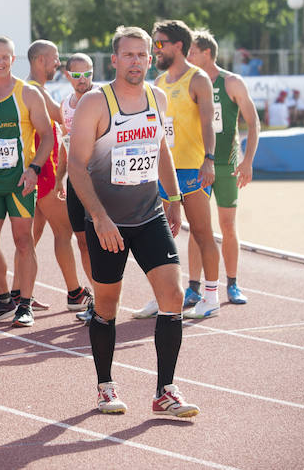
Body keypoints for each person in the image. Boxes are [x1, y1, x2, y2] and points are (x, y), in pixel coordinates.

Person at [68, 25, 198, 418]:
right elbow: (76, 165)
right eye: (129, 55)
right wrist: (99, 217)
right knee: (107, 304)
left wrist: (173, 197)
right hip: (108, 220)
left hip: (148, 214)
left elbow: (160, 149)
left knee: (172, 295)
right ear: (114, 59)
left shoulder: (157, 97)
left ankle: (165, 391)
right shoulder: (96, 102)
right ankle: (105, 386)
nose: (137, 61)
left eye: (143, 54)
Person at [134, 20, 221, 320]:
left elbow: (209, 122)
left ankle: (211, 296)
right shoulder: (157, 84)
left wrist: (209, 159)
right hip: (163, 170)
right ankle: (163, 295)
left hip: (193, 170)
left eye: (159, 44)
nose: (155, 50)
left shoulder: (198, 80)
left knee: (200, 232)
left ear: (178, 46)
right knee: (158, 237)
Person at [0, 36, 54, 328]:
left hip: (20, 180)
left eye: (4, 56)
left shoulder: (28, 93)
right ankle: (3, 299)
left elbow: (47, 134)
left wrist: (34, 169)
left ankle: (25, 302)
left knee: (24, 240)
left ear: (13, 59)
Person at [186, 30, 260, 306]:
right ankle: (193, 286)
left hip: (226, 165)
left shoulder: (232, 83)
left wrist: (248, 160)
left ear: (207, 53)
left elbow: (253, 122)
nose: (188, 57)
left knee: (227, 226)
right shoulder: (189, 84)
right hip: (197, 165)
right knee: (196, 227)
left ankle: (232, 283)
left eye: (192, 52)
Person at [26, 41, 94, 316]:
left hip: (42, 169)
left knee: (32, 235)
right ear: (42, 60)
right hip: (42, 171)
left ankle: (19, 293)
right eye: (55, 60)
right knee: (64, 232)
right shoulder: (35, 91)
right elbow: (65, 122)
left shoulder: (31, 89)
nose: (57, 64)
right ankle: (75, 292)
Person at [58, 53, 101, 323]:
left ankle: (109, 298)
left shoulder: (102, 99)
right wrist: (59, 177)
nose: (83, 79)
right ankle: (97, 298)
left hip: (99, 180)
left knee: (102, 241)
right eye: (77, 75)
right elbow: (66, 145)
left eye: (88, 73)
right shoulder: (65, 105)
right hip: (75, 181)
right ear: (67, 76)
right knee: (83, 241)